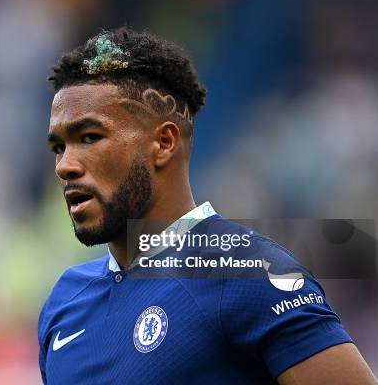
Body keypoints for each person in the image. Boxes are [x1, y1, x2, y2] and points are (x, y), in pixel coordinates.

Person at [38, 27, 377, 384]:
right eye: (59, 147)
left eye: (89, 138)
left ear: (164, 143)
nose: (65, 165)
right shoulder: (65, 302)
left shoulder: (246, 274)